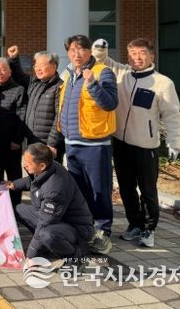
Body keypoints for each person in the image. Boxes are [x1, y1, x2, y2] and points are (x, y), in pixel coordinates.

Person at [93, 38, 180, 248]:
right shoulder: (121, 72)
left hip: (146, 147)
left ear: (152, 56)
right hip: (121, 143)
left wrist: (174, 142)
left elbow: (172, 115)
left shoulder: (163, 83)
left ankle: (149, 229)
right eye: (133, 53)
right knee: (126, 188)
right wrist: (100, 46)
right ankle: (134, 224)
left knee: (148, 190)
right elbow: (101, 59)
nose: (137, 58)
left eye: (142, 53)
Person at [58, 34, 118, 254]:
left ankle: (103, 232)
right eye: (72, 50)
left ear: (89, 51)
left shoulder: (103, 72)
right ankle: (85, 230)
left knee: (99, 190)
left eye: (82, 49)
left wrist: (92, 83)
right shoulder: (69, 75)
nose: (77, 54)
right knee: (79, 192)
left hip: (95, 144)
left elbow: (110, 103)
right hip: (72, 143)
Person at [6, 144, 95, 271]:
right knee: (19, 210)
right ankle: (45, 246)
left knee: (46, 234)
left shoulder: (55, 190)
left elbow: (45, 222)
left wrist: (31, 255)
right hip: (58, 220)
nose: (24, 165)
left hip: (77, 229)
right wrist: (14, 185)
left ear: (42, 165)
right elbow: (34, 181)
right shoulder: (49, 168)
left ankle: (76, 256)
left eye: (28, 163)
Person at [7, 46, 65, 163]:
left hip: (48, 144)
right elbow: (18, 76)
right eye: (36, 65)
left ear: (54, 66)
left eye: (42, 65)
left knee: (48, 172)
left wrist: (52, 143)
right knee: (34, 171)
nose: (38, 69)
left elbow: (60, 118)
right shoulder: (34, 82)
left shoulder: (60, 87)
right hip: (33, 140)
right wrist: (14, 59)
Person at [0, 57, 27, 206]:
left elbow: (22, 116)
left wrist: (17, 140)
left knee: (14, 178)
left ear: (10, 71)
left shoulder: (19, 90)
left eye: (3, 69)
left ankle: (16, 209)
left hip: (11, 143)